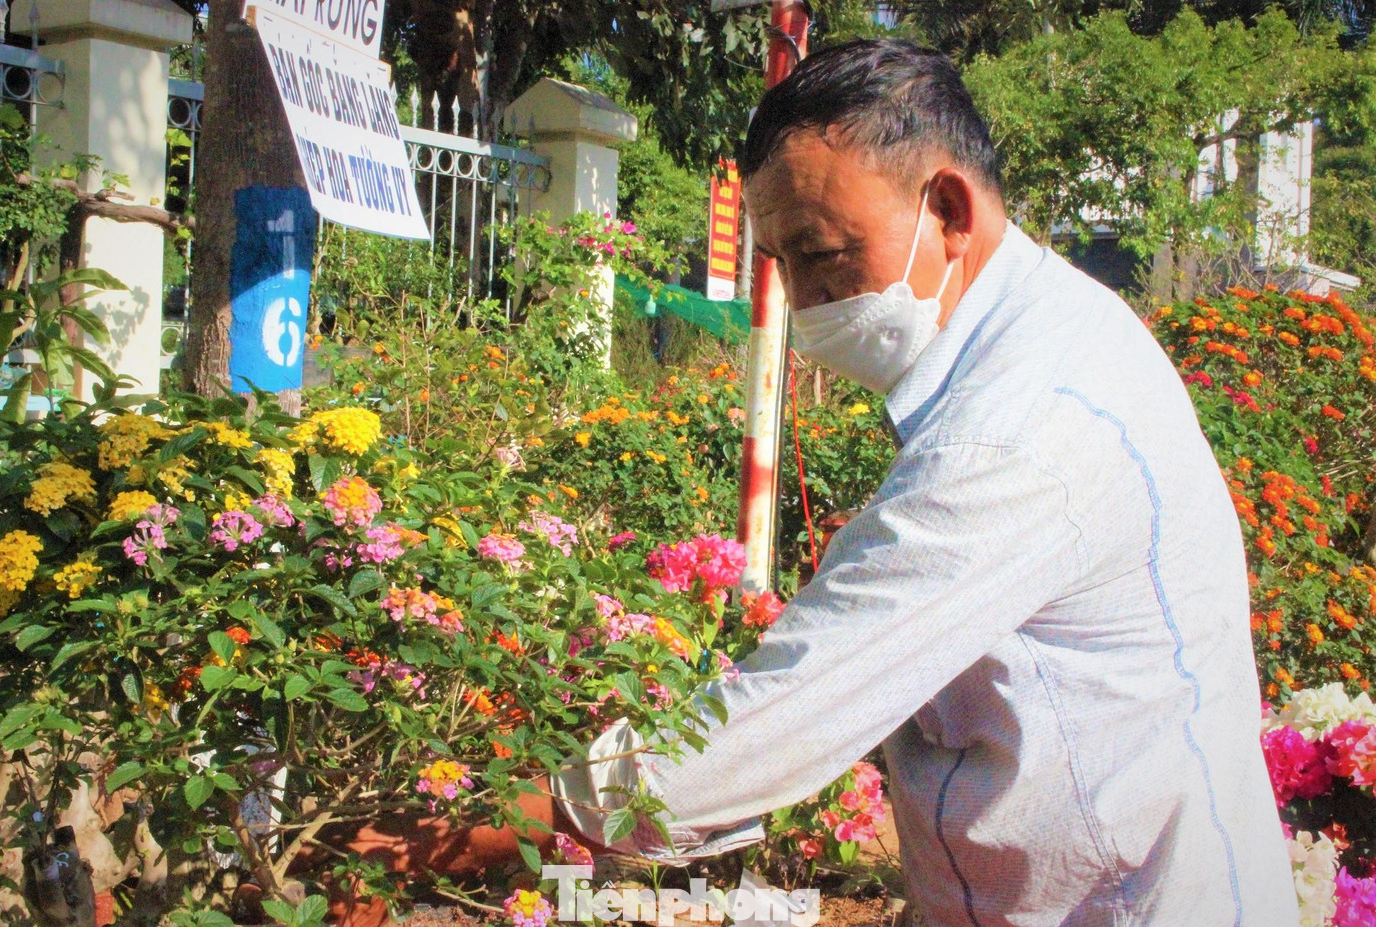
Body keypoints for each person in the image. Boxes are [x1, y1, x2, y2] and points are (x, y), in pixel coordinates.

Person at [324, 39, 1298, 927]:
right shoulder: (1053, 329)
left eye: (825, 255)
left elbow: (770, 727)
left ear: (947, 211)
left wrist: (462, 826)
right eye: (783, 260)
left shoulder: (1016, 433)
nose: (803, 296)